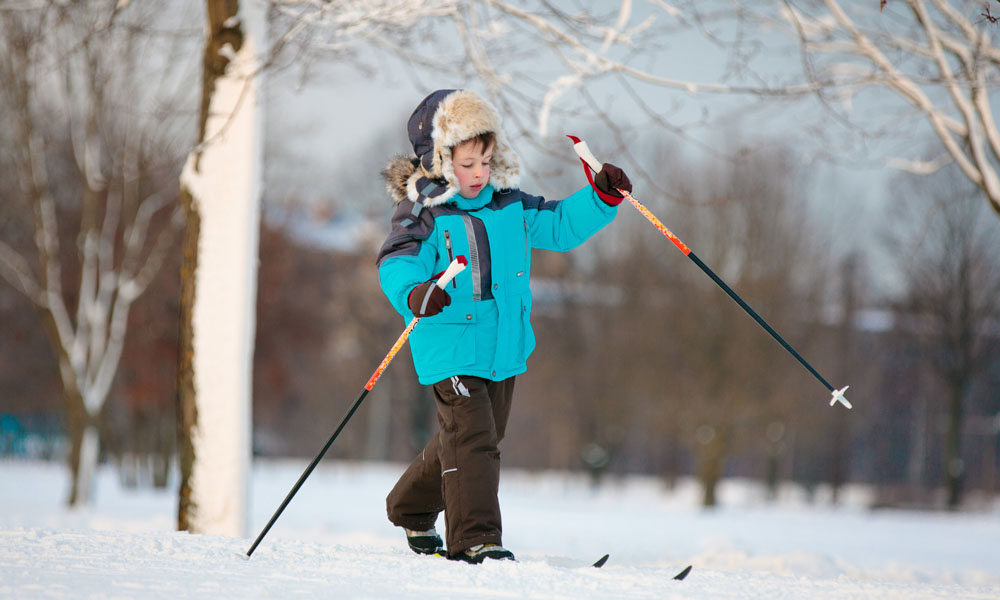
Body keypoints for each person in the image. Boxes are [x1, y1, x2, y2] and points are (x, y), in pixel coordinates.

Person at [376, 89, 631, 564]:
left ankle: (410, 507)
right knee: (473, 441)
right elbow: (397, 260)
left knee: (475, 437)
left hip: (504, 347)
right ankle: (476, 540)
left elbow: (558, 225)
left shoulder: (509, 204)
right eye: (468, 163)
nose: (479, 174)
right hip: (450, 342)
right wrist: (415, 292)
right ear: (440, 158)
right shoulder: (424, 211)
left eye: (486, 162)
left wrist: (600, 198)